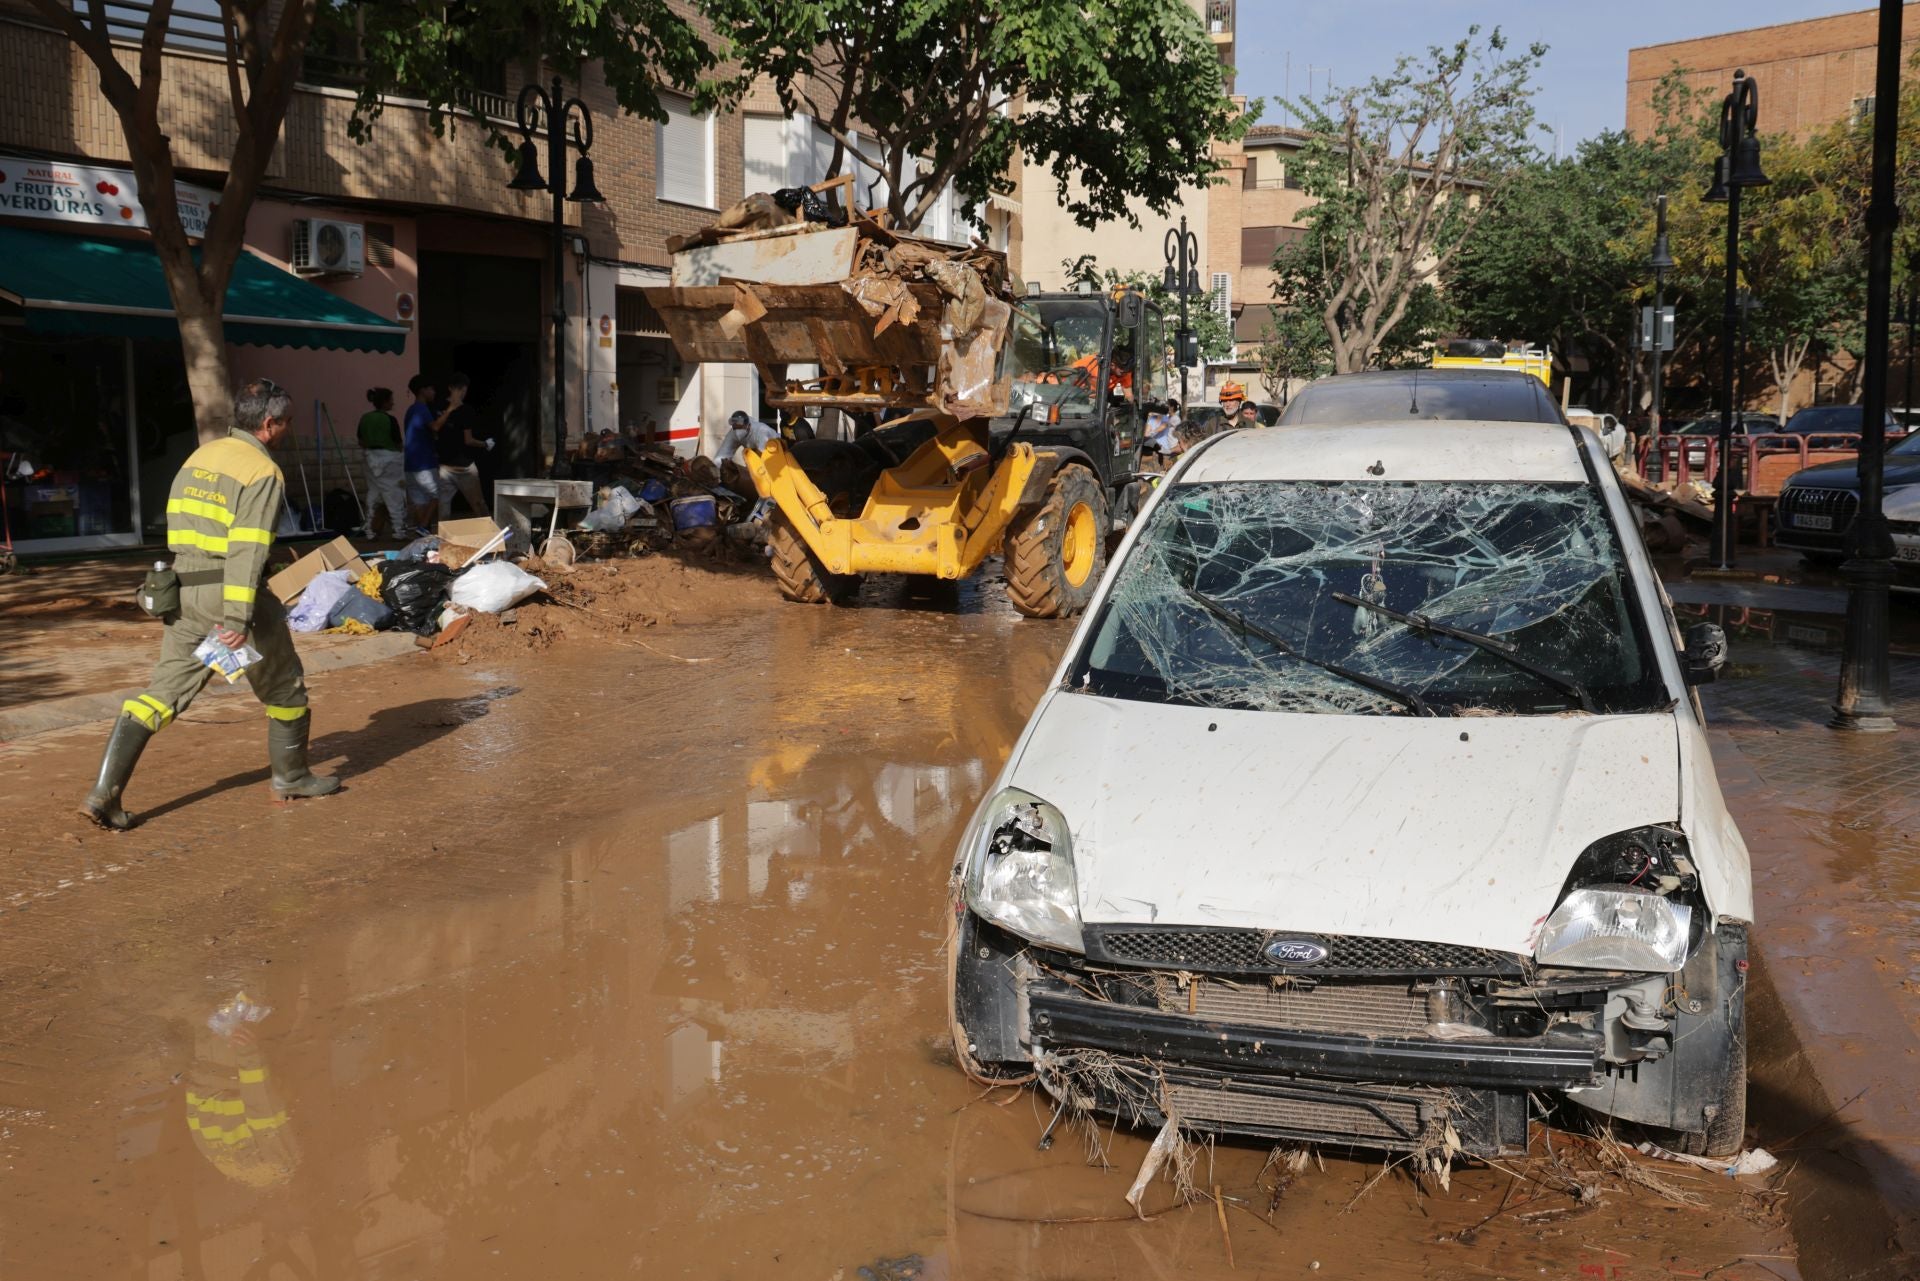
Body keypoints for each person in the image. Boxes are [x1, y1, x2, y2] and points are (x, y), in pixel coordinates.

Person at [80, 378, 339, 830]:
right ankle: (292, 777)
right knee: (285, 689)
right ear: (268, 423)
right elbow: (247, 549)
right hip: (232, 596)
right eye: (287, 422)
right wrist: (238, 616)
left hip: (185, 594)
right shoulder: (262, 472)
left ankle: (104, 793)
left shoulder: (201, 457)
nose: (290, 429)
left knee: (161, 694)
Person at [436, 373, 493, 518]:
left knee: (443, 508)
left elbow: (435, 429)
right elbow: (468, 440)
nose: (462, 392)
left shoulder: (439, 406)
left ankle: (444, 538)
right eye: (461, 389)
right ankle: (490, 534)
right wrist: (485, 444)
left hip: (444, 466)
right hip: (464, 467)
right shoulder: (465, 410)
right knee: (478, 504)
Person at [355, 387, 406, 538]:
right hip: (389, 460)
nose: (393, 403)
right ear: (385, 402)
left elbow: (360, 440)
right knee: (394, 495)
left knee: (373, 493)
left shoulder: (365, 418)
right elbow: (398, 442)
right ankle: (399, 531)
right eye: (391, 400)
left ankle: (369, 530)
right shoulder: (390, 419)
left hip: (370, 458)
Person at [402, 374, 441, 533]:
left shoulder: (410, 410)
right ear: (422, 391)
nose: (434, 392)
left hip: (410, 463)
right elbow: (435, 427)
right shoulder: (422, 409)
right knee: (438, 495)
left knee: (419, 501)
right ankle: (423, 526)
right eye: (431, 389)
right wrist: (450, 410)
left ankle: (423, 533)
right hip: (424, 462)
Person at [715, 409, 780, 462]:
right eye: (735, 427)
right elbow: (722, 455)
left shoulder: (761, 431)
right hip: (758, 455)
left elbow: (763, 455)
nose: (738, 430)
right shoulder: (733, 433)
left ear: (748, 425)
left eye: (740, 427)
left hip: (779, 452)